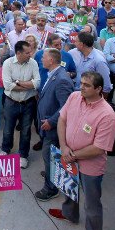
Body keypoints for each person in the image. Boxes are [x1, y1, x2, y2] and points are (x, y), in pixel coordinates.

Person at [53, 71, 115, 230]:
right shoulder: (74, 97)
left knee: (92, 204)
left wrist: (71, 154)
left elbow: (99, 148)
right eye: (81, 83)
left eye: (87, 85)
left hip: (90, 167)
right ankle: (69, 214)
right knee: (69, 189)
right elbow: (62, 120)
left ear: (99, 89)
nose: (81, 87)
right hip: (68, 156)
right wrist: (63, 146)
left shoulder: (107, 114)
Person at [33, 48, 74, 202]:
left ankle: (50, 188)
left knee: (49, 155)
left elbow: (66, 107)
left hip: (54, 128)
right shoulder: (54, 74)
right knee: (50, 156)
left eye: (43, 57)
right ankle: (52, 173)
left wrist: (51, 121)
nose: (41, 60)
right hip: (47, 125)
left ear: (51, 60)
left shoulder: (62, 79)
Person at [0, 40, 40, 169]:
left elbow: (37, 83)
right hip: (11, 102)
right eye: (27, 52)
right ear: (18, 53)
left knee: (26, 131)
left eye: (30, 51)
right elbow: (7, 85)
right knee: (8, 129)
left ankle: (23, 155)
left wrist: (17, 82)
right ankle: (5, 149)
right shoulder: (7, 63)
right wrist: (28, 85)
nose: (30, 54)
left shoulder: (33, 63)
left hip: (28, 103)